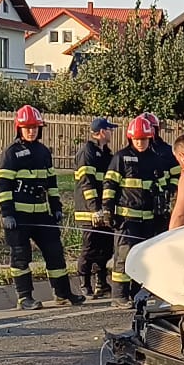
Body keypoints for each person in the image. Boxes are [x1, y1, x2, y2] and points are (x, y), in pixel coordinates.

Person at [0, 106, 81, 310]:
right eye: (27, 127)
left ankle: (62, 294)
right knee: (21, 256)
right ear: (19, 128)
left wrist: (56, 207)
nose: (31, 131)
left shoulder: (43, 152)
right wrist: (7, 213)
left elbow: (51, 183)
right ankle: (24, 297)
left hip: (42, 214)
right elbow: (3, 185)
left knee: (55, 253)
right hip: (19, 216)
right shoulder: (11, 153)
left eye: (35, 127)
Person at [104, 114, 173, 303]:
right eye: (137, 139)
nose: (140, 143)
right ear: (130, 138)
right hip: (126, 219)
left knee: (144, 258)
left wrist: (163, 204)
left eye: (144, 139)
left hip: (149, 219)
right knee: (124, 256)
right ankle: (119, 295)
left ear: (150, 138)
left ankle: (136, 294)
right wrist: (107, 209)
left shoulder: (155, 159)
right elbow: (110, 185)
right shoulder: (121, 157)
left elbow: (164, 185)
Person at [72, 118, 116, 299]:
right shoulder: (87, 152)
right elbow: (87, 182)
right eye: (109, 130)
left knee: (105, 248)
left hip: (103, 211)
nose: (112, 133)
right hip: (88, 211)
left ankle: (101, 283)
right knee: (89, 249)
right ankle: (84, 284)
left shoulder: (106, 154)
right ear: (101, 132)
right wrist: (94, 209)